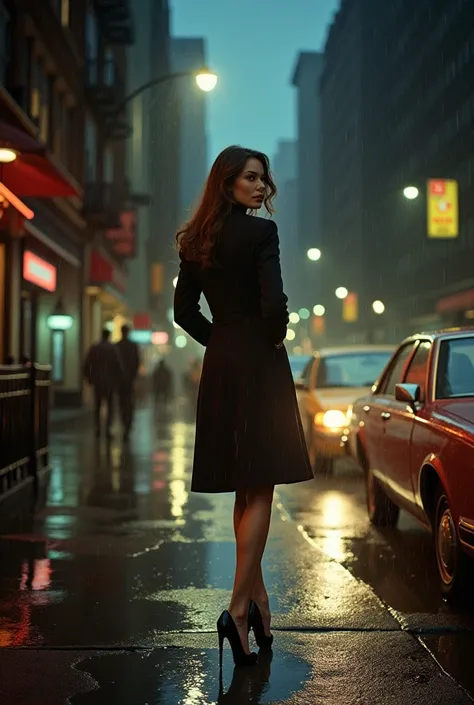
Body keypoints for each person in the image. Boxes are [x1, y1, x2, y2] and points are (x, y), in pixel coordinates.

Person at [174, 145, 312, 668]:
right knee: (262, 483)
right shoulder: (261, 234)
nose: (262, 186)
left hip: (223, 364)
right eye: (252, 178)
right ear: (228, 181)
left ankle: (258, 601)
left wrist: (222, 341)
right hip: (259, 362)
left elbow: (182, 310)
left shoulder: (197, 239)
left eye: (264, 178)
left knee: (244, 485)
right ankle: (236, 608)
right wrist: (269, 337)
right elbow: (274, 304)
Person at [83, 328, 123, 438]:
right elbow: (118, 366)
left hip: (98, 381)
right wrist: (118, 380)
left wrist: (88, 378)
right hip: (110, 382)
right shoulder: (113, 349)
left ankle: (98, 427)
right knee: (110, 405)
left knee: (98, 405)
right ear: (109, 336)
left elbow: (87, 364)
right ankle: (108, 428)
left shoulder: (95, 348)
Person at [115, 324, 140, 441]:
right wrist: (134, 376)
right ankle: (127, 425)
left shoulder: (117, 346)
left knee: (121, 403)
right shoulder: (133, 346)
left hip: (120, 380)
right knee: (129, 403)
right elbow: (137, 362)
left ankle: (124, 422)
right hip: (129, 380)